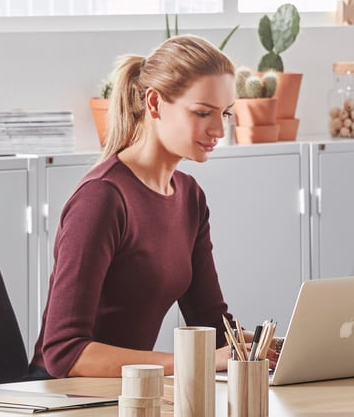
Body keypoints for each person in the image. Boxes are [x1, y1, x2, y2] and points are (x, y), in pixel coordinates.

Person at [30, 35, 239, 378]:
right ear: (154, 103)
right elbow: (65, 353)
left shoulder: (189, 197)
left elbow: (213, 327)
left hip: (131, 394)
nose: (218, 129)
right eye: (203, 112)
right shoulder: (102, 199)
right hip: (67, 398)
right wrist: (192, 363)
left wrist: (274, 346)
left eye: (226, 114)